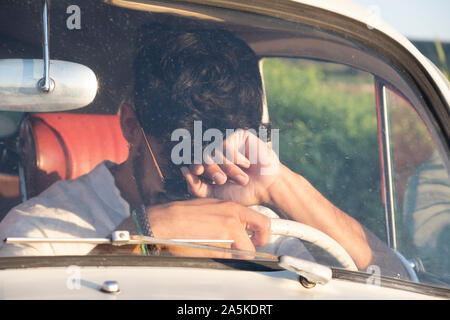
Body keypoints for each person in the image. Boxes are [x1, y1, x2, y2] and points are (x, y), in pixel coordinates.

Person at [0, 26, 408, 278]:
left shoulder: (264, 219)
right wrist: (135, 237)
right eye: (178, 158)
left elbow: (390, 279)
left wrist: (280, 184)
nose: (197, 187)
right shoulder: (46, 232)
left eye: (215, 154)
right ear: (130, 126)